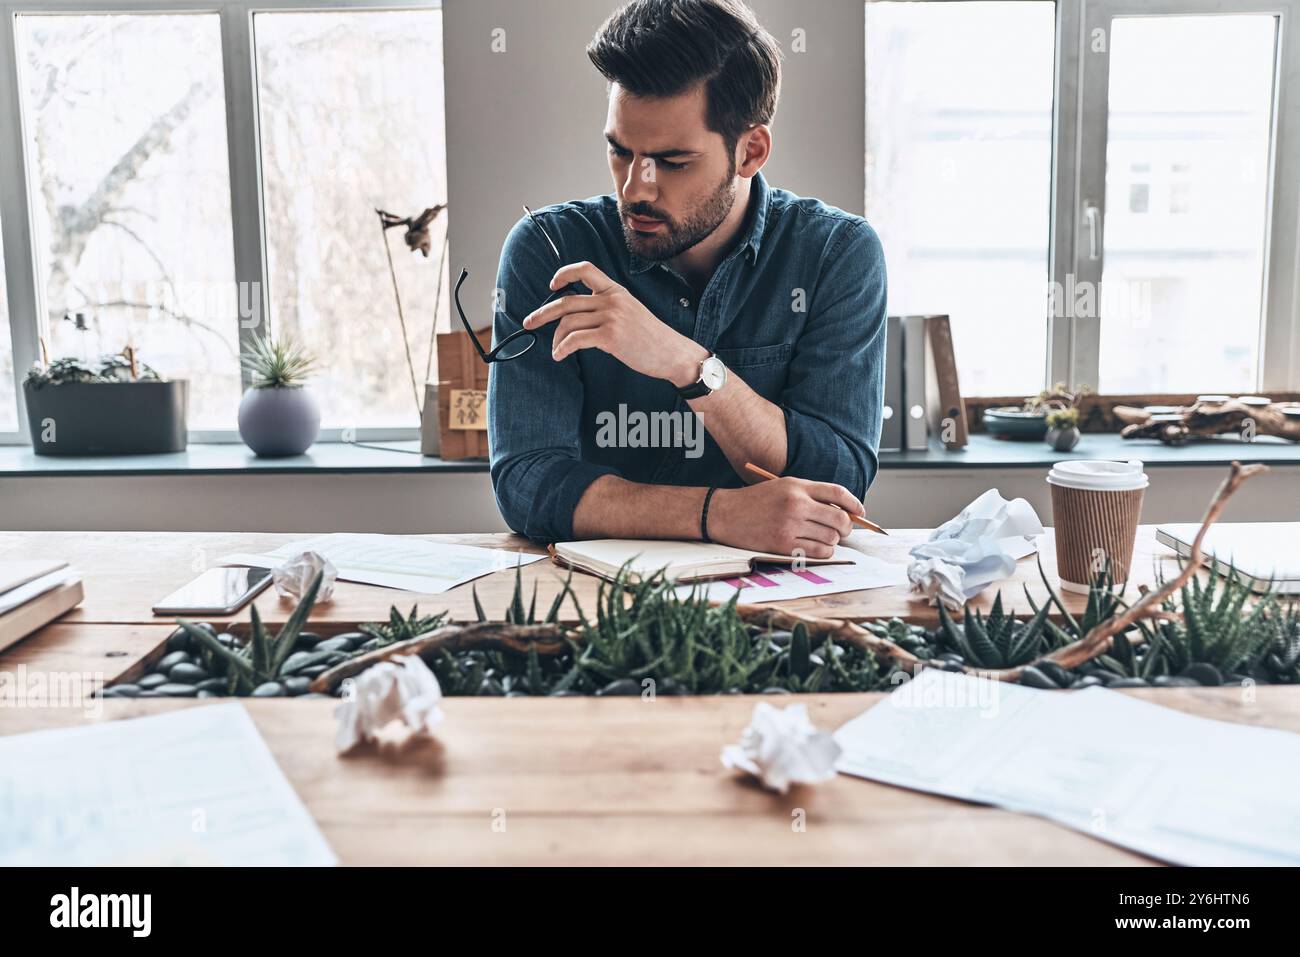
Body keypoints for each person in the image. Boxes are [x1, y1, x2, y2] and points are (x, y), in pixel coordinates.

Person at [488, 0, 886, 560]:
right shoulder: (549, 251)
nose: (636, 189)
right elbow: (527, 483)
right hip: (593, 597)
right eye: (620, 151)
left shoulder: (835, 254)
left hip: (786, 603)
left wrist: (687, 365)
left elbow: (836, 480)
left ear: (751, 151)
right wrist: (718, 514)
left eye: (672, 162)